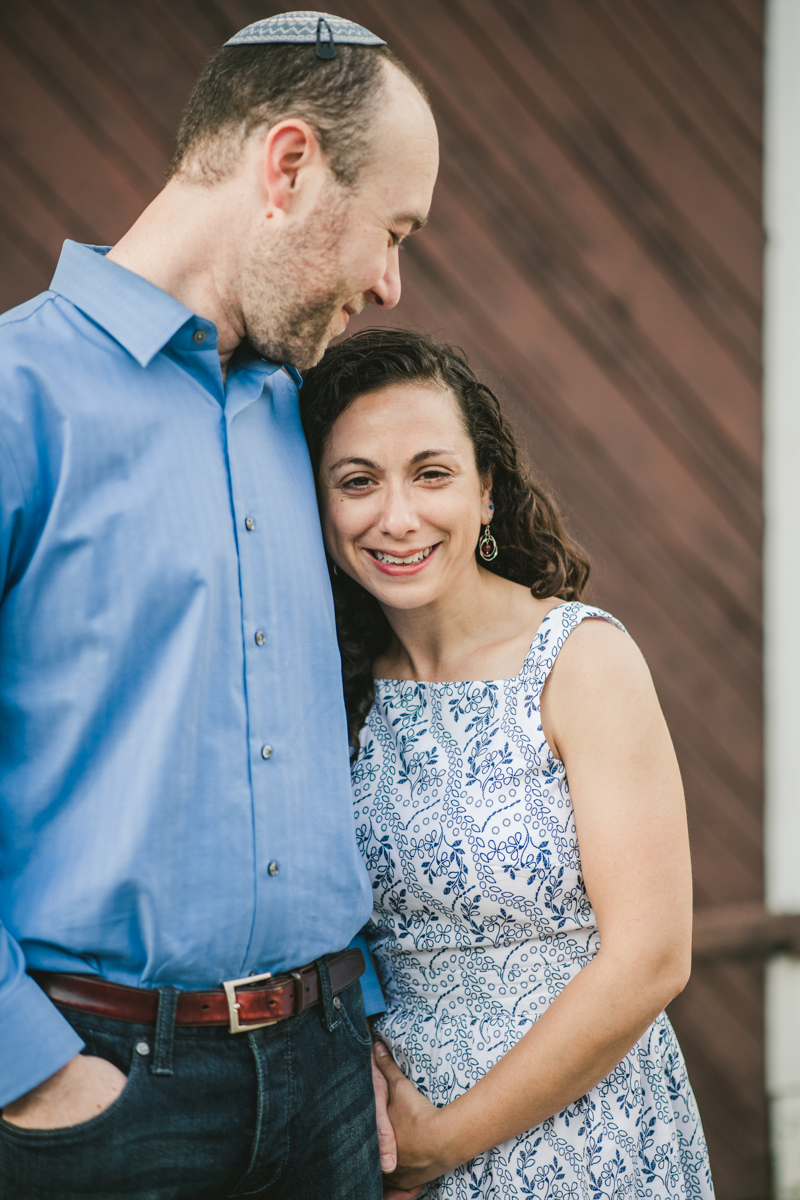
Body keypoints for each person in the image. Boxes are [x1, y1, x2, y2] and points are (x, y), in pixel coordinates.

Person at [0, 14, 437, 1200]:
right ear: (288, 165)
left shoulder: (309, 430)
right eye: (391, 229)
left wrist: (363, 1026)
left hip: (329, 1080)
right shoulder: (15, 401)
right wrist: (34, 1075)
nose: (389, 282)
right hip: (98, 1100)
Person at [299, 328, 715, 1199]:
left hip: (584, 1140)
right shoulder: (325, 684)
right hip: (391, 1142)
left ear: (487, 491)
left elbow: (652, 956)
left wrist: (444, 1142)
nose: (398, 516)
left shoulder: (578, 660)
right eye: (357, 482)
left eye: (432, 473)